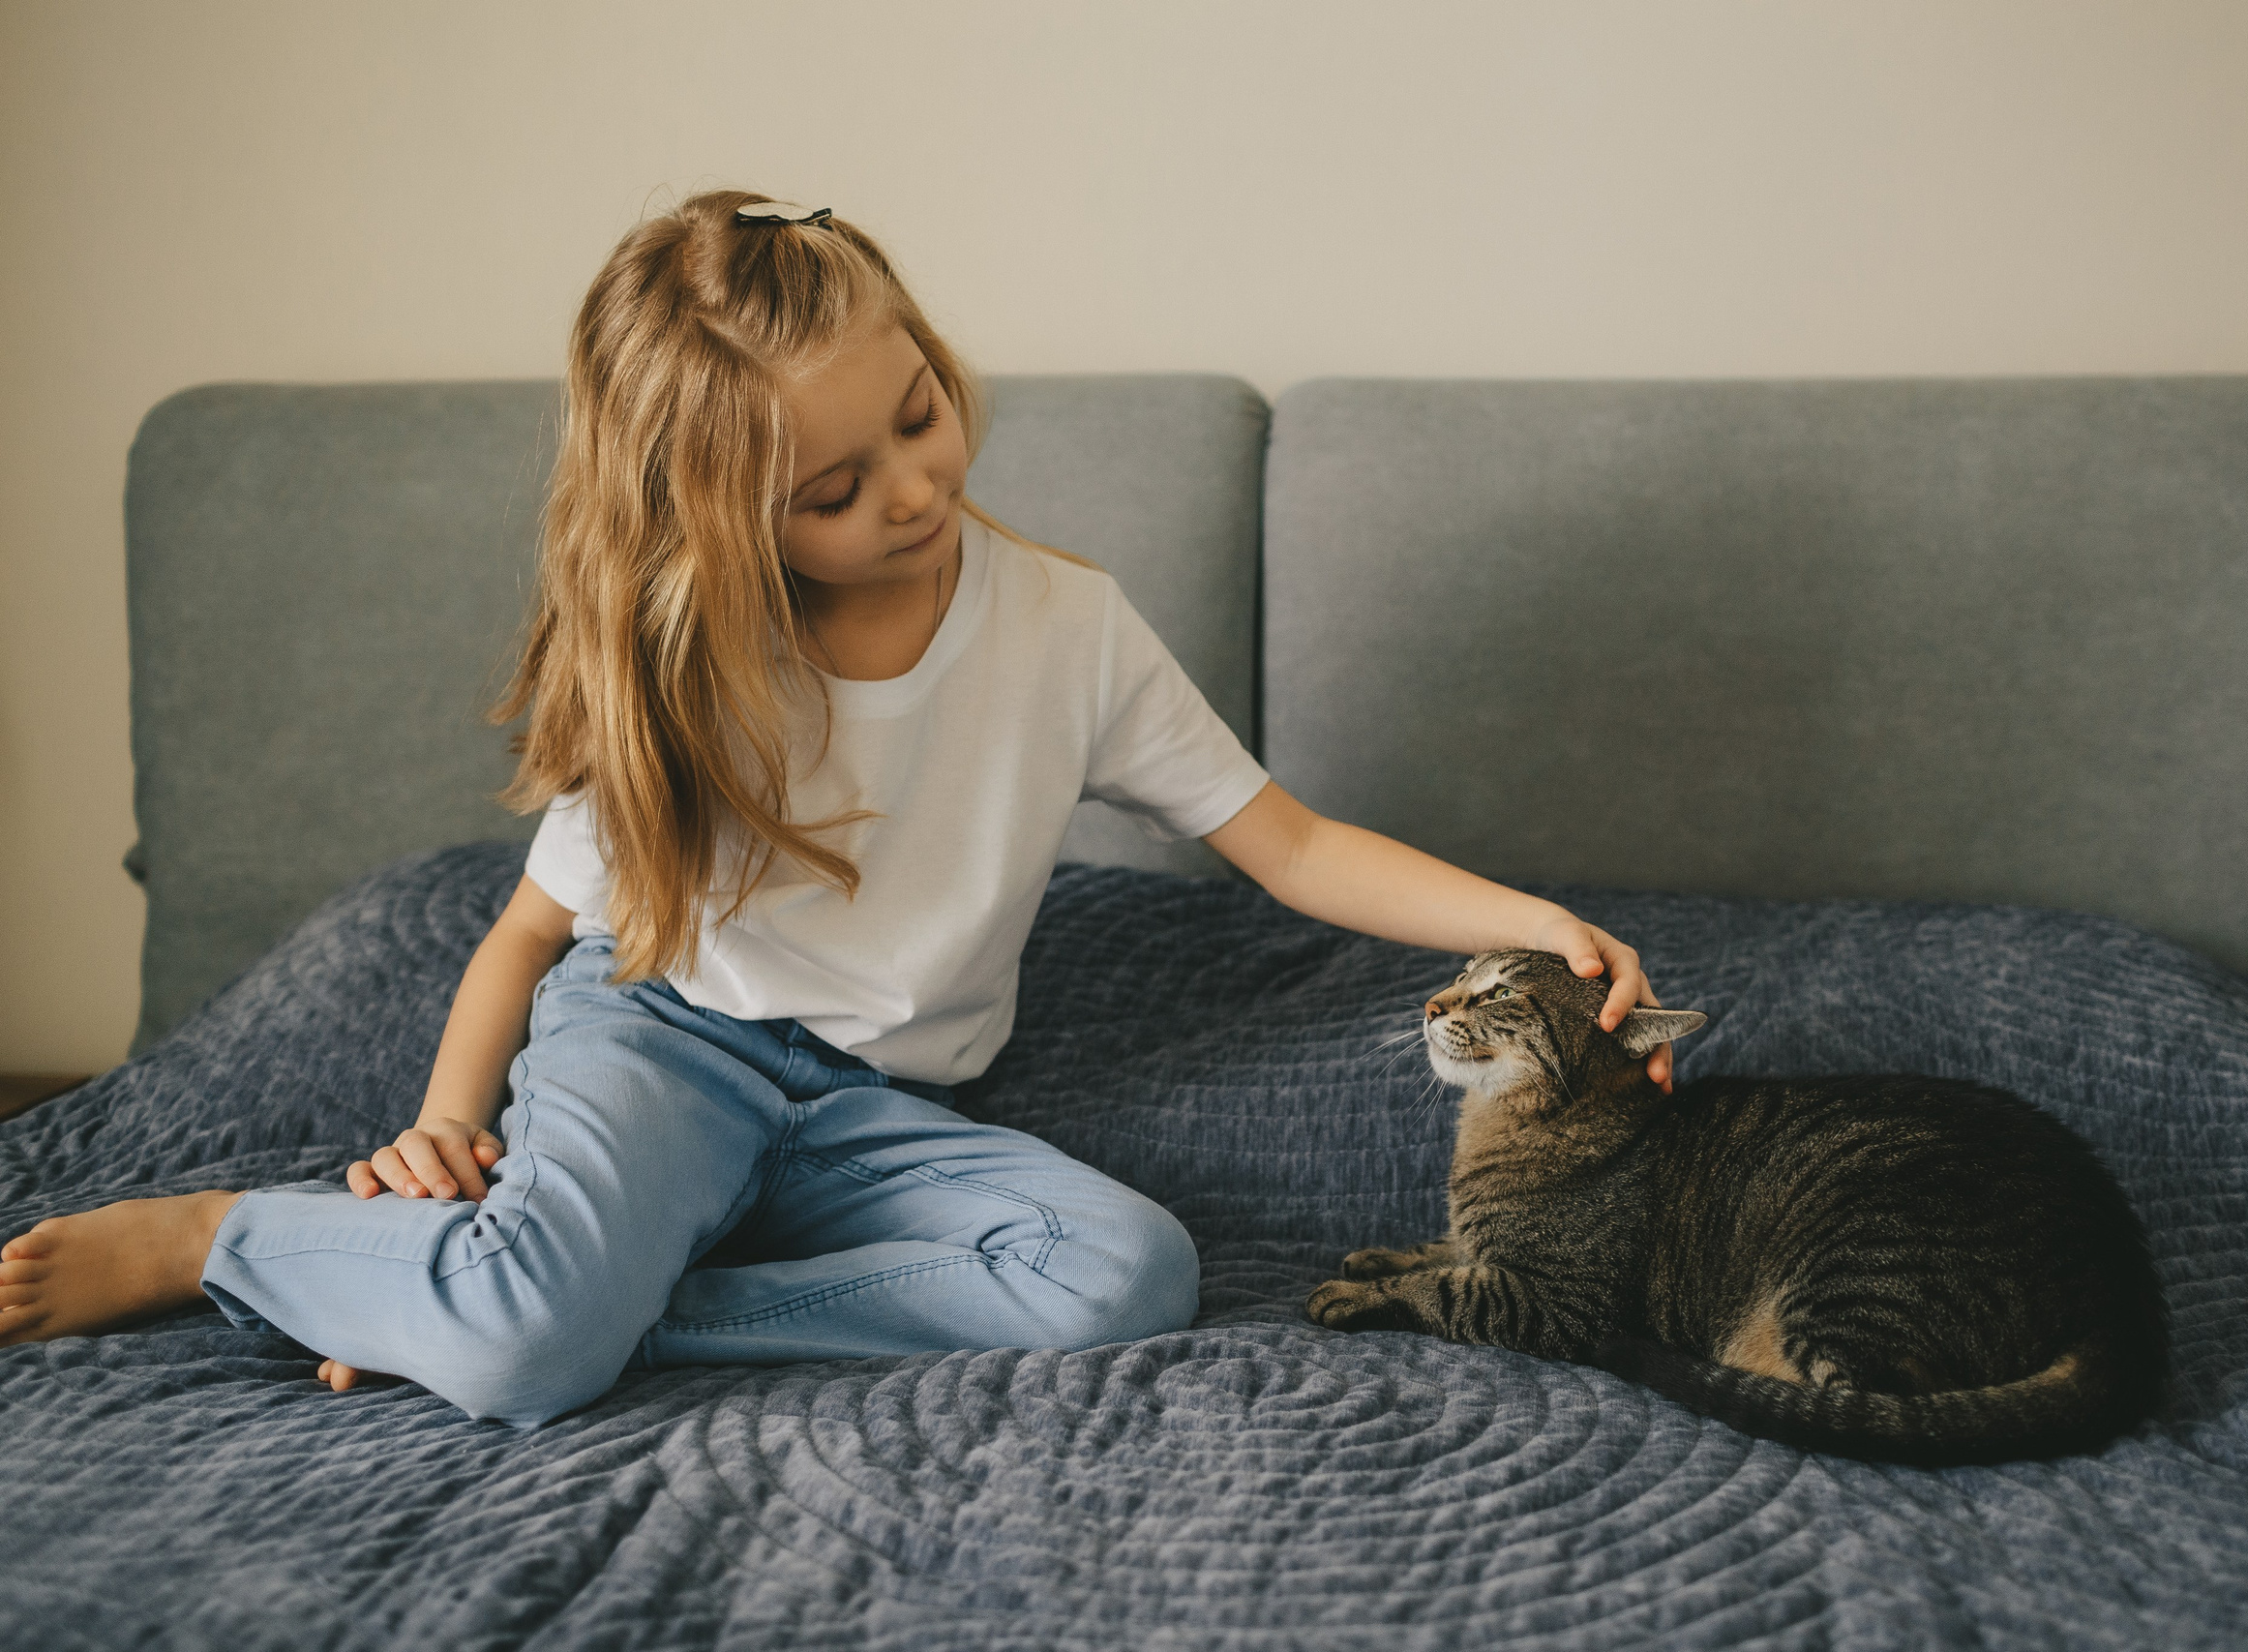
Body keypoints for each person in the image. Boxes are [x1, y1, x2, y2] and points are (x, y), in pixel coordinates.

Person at [0, 191, 1678, 1426]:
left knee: (1124, 1277)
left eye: (920, 415)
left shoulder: (1062, 628)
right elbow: (528, 935)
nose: (920, 487)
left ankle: (610, 1310)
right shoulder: (694, 677)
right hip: (664, 1047)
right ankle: (222, 1241)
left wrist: (1527, 922)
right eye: (838, 488)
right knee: (518, 1350)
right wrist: (452, 1131)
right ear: (725, 524)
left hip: (874, 1111)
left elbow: (1290, 843)